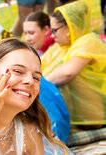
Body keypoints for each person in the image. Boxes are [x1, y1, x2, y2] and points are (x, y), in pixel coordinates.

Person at [41, 0, 106, 129]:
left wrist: (40, 86)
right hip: (79, 118)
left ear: (70, 27)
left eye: (55, 31)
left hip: (95, 117)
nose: (52, 36)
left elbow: (68, 72)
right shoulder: (63, 47)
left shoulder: (89, 41)